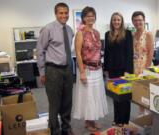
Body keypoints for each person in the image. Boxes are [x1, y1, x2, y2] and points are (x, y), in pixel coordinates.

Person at [37, 3, 75, 135]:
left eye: (66, 13)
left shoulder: (70, 30)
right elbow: (40, 51)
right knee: (55, 103)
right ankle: (55, 130)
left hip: (68, 70)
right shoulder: (48, 29)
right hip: (53, 70)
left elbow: (67, 51)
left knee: (67, 102)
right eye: (61, 13)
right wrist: (42, 72)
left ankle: (66, 128)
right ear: (56, 14)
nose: (64, 15)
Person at [73, 6, 108, 132]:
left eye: (92, 15)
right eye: (87, 16)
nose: (90, 18)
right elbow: (77, 53)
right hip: (86, 69)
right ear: (83, 18)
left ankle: (92, 120)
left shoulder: (97, 33)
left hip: (97, 69)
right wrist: (82, 72)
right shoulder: (80, 33)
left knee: (94, 95)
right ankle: (88, 122)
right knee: (87, 96)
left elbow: (98, 51)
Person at [104, 12, 133, 126]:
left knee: (125, 97)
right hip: (112, 70)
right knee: (116, 96)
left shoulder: (127, 34)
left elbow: (129, 53)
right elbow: (106, 52)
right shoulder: (107, 34)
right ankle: (117, 119)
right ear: (112, 21)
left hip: (123, 70)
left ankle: (124, 120)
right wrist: (106, 68)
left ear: (122, 21)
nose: (116, 22)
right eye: (114, 20)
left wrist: (128, 70)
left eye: (118, 20)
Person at [132, 11, 154, 116]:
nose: (137, 22)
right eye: (135, 20)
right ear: (132, 22)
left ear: (144, 21)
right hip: (136, 67)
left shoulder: (148, 34)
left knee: (147, 92)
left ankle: (149, 116)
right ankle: (141, 114)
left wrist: (147, 69)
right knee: (139, 92)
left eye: (140, 20)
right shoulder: (133, 34)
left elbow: (150, 52)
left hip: (146, 67)